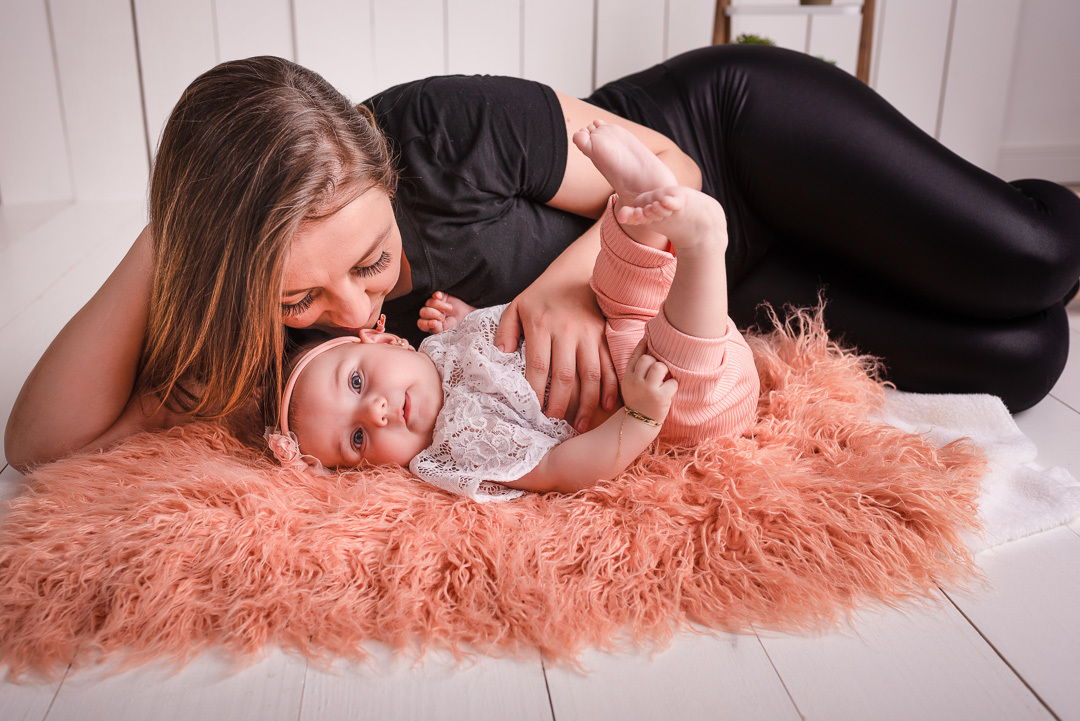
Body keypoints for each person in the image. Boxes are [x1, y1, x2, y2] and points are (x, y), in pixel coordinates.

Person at [6, 46, 1080, 472]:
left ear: (389, 176)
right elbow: (37, 444)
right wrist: (183, 216)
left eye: (374, 260)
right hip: (718, 293)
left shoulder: (435, 131)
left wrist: (557, 286)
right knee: (1026, 359)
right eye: (303, 295)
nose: (354, 311)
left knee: (1027, 257)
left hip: (729, 153)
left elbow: (669, 169)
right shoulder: (301, 356)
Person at [266, 120, 758, 500]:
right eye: (355, 440)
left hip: (610, 315)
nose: (374, 412)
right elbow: (560, 470)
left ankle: (639, 204)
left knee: (621, 278)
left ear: (383, 339)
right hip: (649, 390)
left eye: (356, 383)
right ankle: (700, 245)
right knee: (687, 384)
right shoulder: (451, 454)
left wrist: (468, 318)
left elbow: (500, 343)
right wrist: (641, 418)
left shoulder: (440, 348)